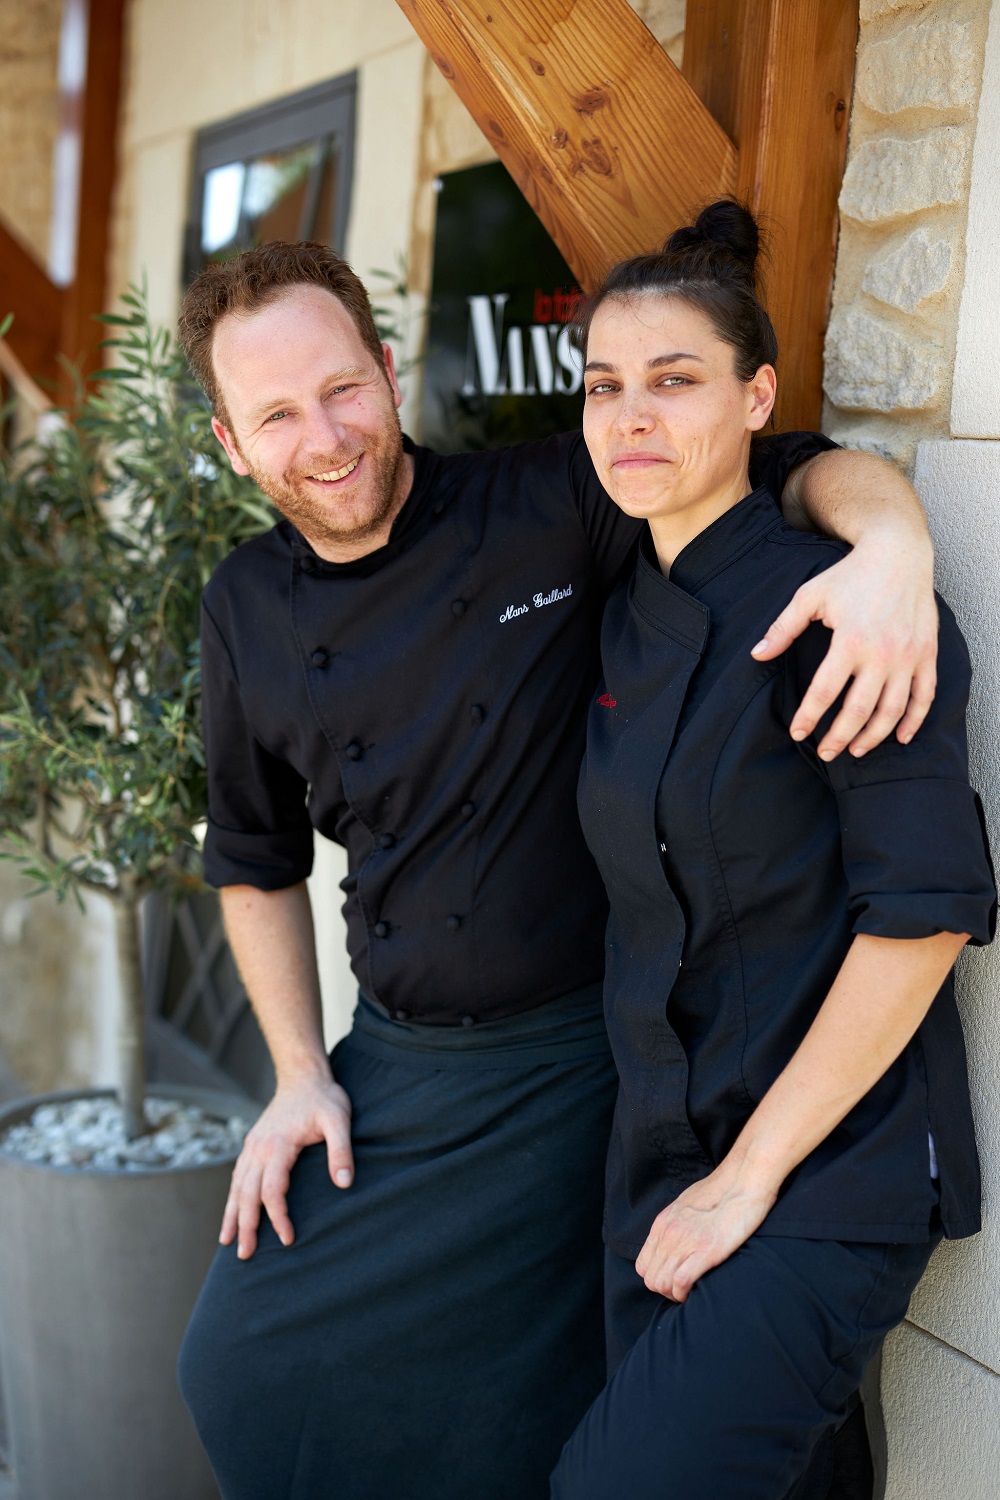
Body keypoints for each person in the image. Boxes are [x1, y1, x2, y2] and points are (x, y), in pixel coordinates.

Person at [175, 240, 942, 1500]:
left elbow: (784, 471)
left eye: (342, 388)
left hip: (588, 1054)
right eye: (276, 414)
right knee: (242, 1367)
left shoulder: (548, 498)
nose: (325, 436)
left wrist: (896, 556)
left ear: (383, 366)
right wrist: (298, 1074)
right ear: (229, 441)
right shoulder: (243, 604)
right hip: (402, 1064)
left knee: (558, 1389)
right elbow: (252, 858)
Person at [550, 202, 996, 1500]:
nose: (631, 416)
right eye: (604, 387)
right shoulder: (623, 606)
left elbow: (923, 915)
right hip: (659, 1162)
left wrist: (749, 1180)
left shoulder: (850, 609)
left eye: (673, 381)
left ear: (758, 401)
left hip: (822, 1173)